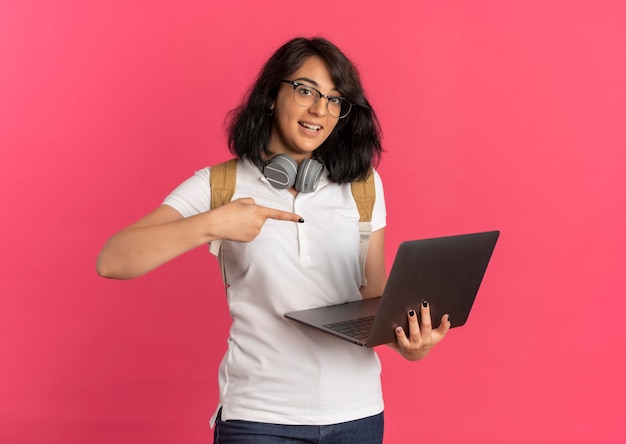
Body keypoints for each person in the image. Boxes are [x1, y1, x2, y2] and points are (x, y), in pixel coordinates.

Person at [97, 36, 450, 444]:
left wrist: (412, 345)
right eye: (305, 91)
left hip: (358, 415)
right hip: (258, 418)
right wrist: (213, 224)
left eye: (335, 100)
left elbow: (375, 295)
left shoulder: (363, 186)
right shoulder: (222, 184)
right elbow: (112, 260)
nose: (319, 109)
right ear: (270, 95)